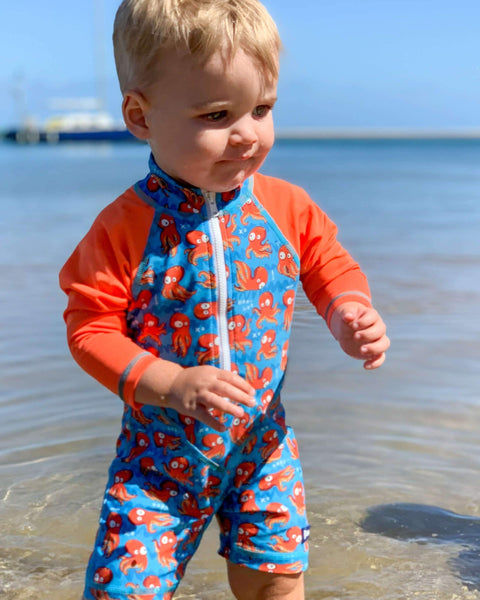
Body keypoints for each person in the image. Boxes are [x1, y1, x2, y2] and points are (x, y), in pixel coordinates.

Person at [59, 1, 390, 598]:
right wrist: (167, 381)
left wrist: (348, 311)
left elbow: (327, 263)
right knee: (125, 589)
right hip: (158, 460)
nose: (248, 134)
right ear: (139, 115)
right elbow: (90, 328)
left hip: (263, 445)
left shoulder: (285, 206)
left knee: (275, 582)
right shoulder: (122, 228)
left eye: (262, 109)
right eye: (217, 114)